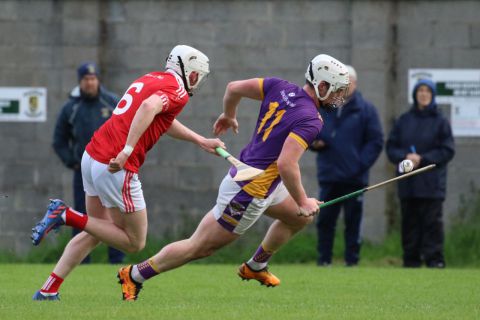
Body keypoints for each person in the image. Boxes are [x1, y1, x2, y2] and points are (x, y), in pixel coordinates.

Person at [114, 54, 350, 301]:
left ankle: (256, 266)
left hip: (263, 182)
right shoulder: (311, 120)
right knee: (200, 247)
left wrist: (229, 114)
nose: (339, 97)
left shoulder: (278, 86)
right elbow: (286, 164)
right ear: (322, 86)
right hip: (249, 191)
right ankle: (135, 274)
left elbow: (233, 88)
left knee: (298, 219)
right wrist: (303, 200)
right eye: (337, 91)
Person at [31, 45, 225, 300]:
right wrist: (128, 149)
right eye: (196, 74)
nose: (196, 81)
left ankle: (48, 289)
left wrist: (200, 140)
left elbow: (160, 118)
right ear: (186, 70)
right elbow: (148, 109)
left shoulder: (152, 78)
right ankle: (66, 215)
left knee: (96, 230)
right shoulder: (178, 90)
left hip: (92, 155)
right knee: (134, 242)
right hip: (116, 164)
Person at [310, 65, 383, 266]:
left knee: (353, 222)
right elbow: (310, 133)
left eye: (348, 82)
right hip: (329, 175)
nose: (345, 86)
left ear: (355, 84)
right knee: (325, 221)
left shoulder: (366, 110)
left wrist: (359, 164)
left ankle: (352, 261)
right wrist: (314, 143)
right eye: (341, 82)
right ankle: (323, 260)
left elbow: (375, 141)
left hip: (354, 178)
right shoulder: (326, 107)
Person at [52, 62, 125, 264]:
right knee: (82, 214)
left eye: (93, 79)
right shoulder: (71, 108)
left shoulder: (111, 102)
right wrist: (72, 162)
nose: (90, 83)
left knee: (116, 212)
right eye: (86, 79)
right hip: (83, 170)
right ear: (80, 82)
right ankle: (83, 261)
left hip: (111, 169)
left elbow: (126, 129)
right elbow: (59, 141)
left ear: (98, 80)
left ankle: (116, 259)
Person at [386, 78, 455, 268]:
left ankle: (435, 261)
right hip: (408, 185)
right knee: (409, 226)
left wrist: (422, 159)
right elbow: (391, 148)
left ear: (432, 95)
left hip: (432, 186)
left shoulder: (441, 122)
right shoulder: (404, 121)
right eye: (420, 91)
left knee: (432, 225)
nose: (423, 94)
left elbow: (447, 150)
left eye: (427, 91)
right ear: (415, 95)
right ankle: (411, 261)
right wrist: (406, 156)